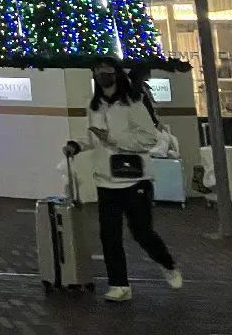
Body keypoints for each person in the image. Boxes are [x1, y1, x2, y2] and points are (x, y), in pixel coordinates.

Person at [64, 57, 183, 303]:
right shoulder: (94, 106)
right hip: (105, 179)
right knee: (109, 235)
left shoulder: (133, 103)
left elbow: (150, 138)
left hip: (134, 179)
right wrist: (77, 145)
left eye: (105, 70)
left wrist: (113, 138)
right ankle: (119, 285)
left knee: (141, 231)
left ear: (117, 73)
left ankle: (167, 264)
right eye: (97, 71)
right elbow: (93, 136)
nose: (101, 74)